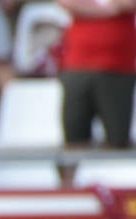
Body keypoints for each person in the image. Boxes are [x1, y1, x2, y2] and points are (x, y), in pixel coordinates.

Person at [56, 0, 136, 156]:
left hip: (117, 66)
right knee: (74, 138)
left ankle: (115, 178)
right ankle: (73, 180)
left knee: (117, 140)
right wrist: (110, 9)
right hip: (76, 64)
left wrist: (90, 9)